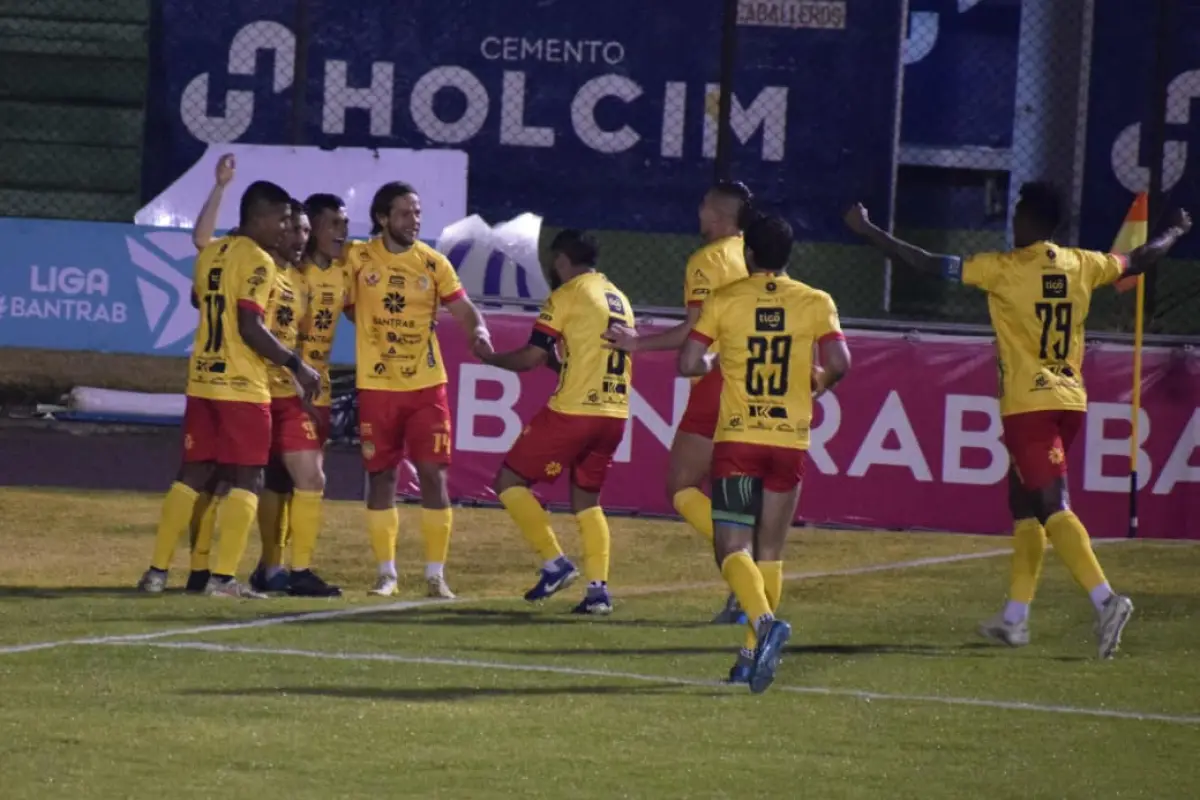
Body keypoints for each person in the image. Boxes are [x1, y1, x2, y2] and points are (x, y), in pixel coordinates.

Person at [843, 181, 1192, 658]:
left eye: (1019, 215)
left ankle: (1106, 599)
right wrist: (1174, 231)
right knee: (1024, 503)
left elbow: (926, 262)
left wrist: (869, 232)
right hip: (1070, 400)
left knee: (1052, 505)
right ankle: (1015, 618)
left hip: (1030, 404)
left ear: (1031, 221)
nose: (1013, 223)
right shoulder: (1083, 263)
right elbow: (1140, 260)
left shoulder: (1002, 270)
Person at [678, 212, 851, 694]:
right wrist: (818, 383)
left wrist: (714, 358)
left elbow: (688, 361)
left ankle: (765, 624)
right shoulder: (816, 301)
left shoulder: (726, 299)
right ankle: (749, 656)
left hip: (739, 439)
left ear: (748, 254)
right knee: (771, 550)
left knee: (732, 547)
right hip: (789, 441)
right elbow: (839, 362)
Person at [136, 180, 321, 597]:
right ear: (258, 217)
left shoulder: (210, 254)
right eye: (280, 220)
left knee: (193, 475)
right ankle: (222, 579)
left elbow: (198, 302)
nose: (284, 228)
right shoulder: (258, 261)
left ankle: (157, 572)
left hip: (202, 379)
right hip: (242, 384)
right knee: (248, 477)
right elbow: (248, 325)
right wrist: (297, 364)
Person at [604, 180, 753, 623]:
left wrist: (637, 343)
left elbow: (694, 331)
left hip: (717, 380)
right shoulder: (750, 255)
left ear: (718, 214)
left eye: (705, 204)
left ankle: (747, 562)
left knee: (683, 487)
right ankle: (743, 590)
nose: (699, 210)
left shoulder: (707, 261)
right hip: (754, 383)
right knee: (734, 490)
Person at [343, 181, 491, 598]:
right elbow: (340, 300)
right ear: (382, 218)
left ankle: (434, 574)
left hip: (427, 386)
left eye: (418, 213)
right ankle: (386, 574)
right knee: (382, 476)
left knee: (433, 474)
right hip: (377, 386)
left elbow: (464, 309)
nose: (415, 220)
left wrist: (478, 330)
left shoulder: (433, 263)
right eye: (405, 213)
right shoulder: (357, 257)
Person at [475, 230, 634, 613]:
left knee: (509, 481)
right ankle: (598, 592)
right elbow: (571, 359)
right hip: (613, 413)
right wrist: (557, 363)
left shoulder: (568, 294)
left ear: (562, 259)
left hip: (574, 411)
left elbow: (531, 358)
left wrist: (489, 357)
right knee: (587, 501)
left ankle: (555, 563)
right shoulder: (618, 297)